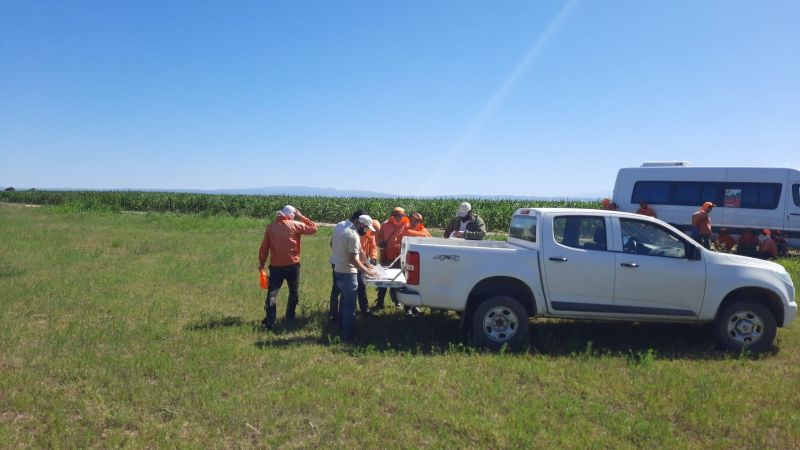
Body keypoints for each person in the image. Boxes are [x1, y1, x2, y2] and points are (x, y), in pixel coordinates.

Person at [258, 205, 317, 330]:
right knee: (293, 292)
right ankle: (290, 317)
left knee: (272, 293)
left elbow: (264, 247)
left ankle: (270, 321)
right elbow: (313, 228)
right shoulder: (295, 224)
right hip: (292, 265)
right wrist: (301, 217)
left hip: (275, 267)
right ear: (291, 215)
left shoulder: (270, 227)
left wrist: (262, 263)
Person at [330, 213, 378, 341]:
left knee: (343, 301)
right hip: (348, 273)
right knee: (349, 306)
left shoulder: (340, 225)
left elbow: (360, 250)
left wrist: (368, 264)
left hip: (337, 269)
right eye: (366, 228)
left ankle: (341, 327)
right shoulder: (353, 236)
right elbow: (353, 259)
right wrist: (367, 272)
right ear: (359, 224)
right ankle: (347, 334)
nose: (366, 231)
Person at [374, 207, 409, 309]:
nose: (398, 217)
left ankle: (398, 301)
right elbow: (378, 238)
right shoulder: (385, 225)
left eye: (400, 216)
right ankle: (380, 302)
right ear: (392, 216)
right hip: (386, 258)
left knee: (399, 281)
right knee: (384, 281)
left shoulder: (407, 225)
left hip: (401, 259)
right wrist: (380, 243)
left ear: (404, 216)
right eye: (396, 215)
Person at [399, 212, 432, 316]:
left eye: (416, 221)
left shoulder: (423, 230)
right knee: (408, 284)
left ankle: (415, 307)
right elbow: (407, 233)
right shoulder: (406, 228)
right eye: (412, 220)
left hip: (421, 262)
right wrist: (423, 235)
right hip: (407, 262)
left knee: (418, 285)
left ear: (420, 222)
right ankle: (407, 309)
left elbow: (431, 240)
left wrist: (423, 235)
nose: (413, 222)